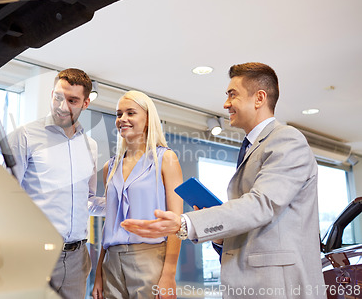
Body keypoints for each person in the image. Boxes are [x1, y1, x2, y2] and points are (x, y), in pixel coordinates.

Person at [121, 63, 327, 299]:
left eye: (232, 94)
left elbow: (262, 205)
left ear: (259, 98)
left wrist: (186, 223)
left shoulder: (287, 139)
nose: (225, 103)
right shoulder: (251, 147)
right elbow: (254, 220)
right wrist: (221, 238)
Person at [7, 68, 105, 299]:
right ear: (52, 94)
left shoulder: (90, 146)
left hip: (78, 259)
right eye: (58, 97)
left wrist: (121, 204)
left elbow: (87, 200)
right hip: (35, 253)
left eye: (72, 100)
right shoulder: (24, 136)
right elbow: (6, 197)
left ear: (86, 103)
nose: (62, 106)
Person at [92, 90, 183, 299]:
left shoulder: (166, 159)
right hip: (111, 262)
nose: (123, 119)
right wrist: (99, 273)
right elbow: (110, 223)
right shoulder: (110, 166)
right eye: (119, 114)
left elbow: (176, 223)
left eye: (131, 113)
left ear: (148, 118)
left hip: (150, 258)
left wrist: (169, 274)